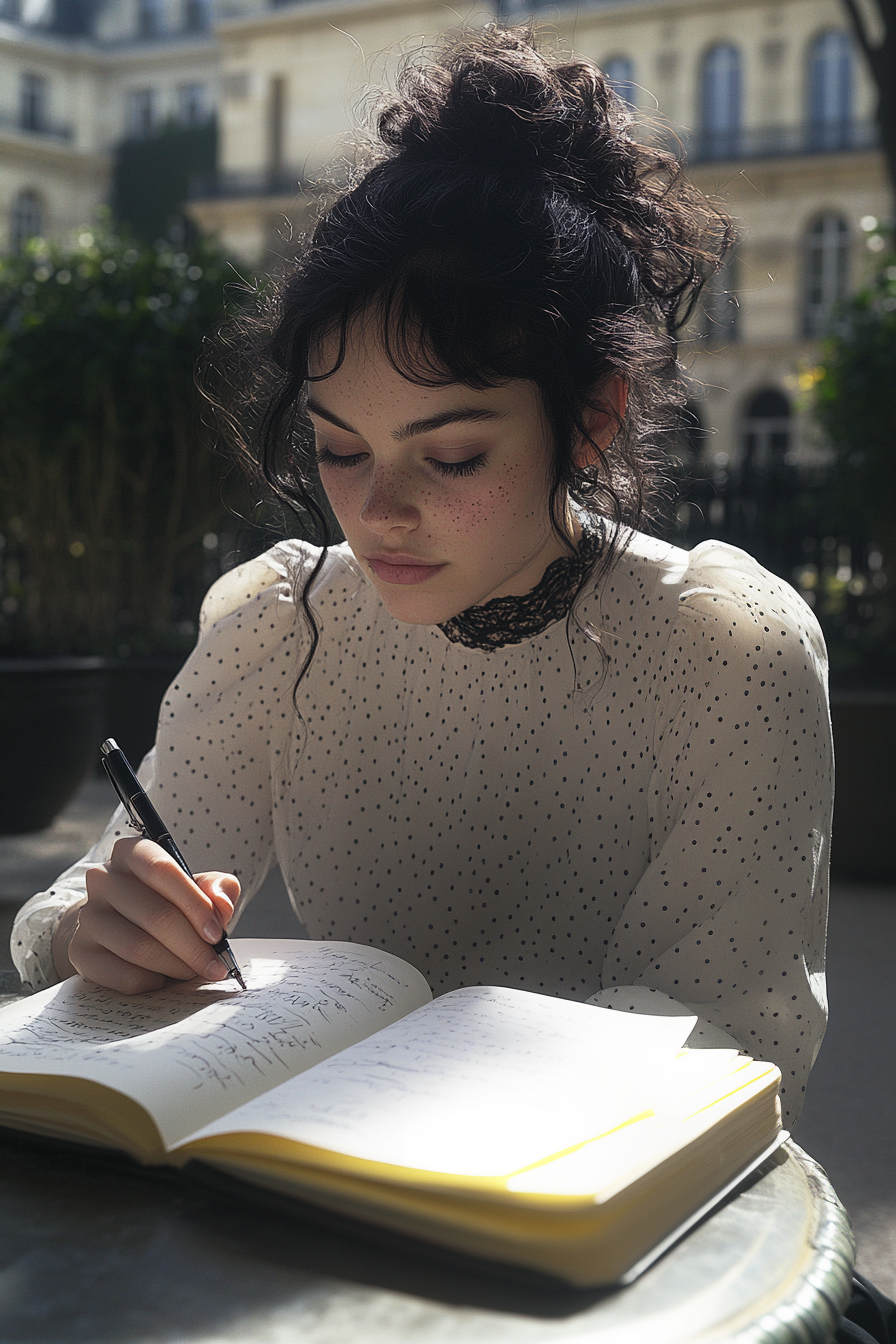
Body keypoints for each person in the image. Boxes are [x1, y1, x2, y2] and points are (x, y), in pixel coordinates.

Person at [13, 29, 831, 1132]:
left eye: (450, 458)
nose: (376, 512)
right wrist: (98, 928)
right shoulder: (280, 625)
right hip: (321, 1200)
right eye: (338, 448)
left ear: (590, 417)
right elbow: (76, 908)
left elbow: (732, 1030)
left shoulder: (726, 654)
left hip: (601, 1220)